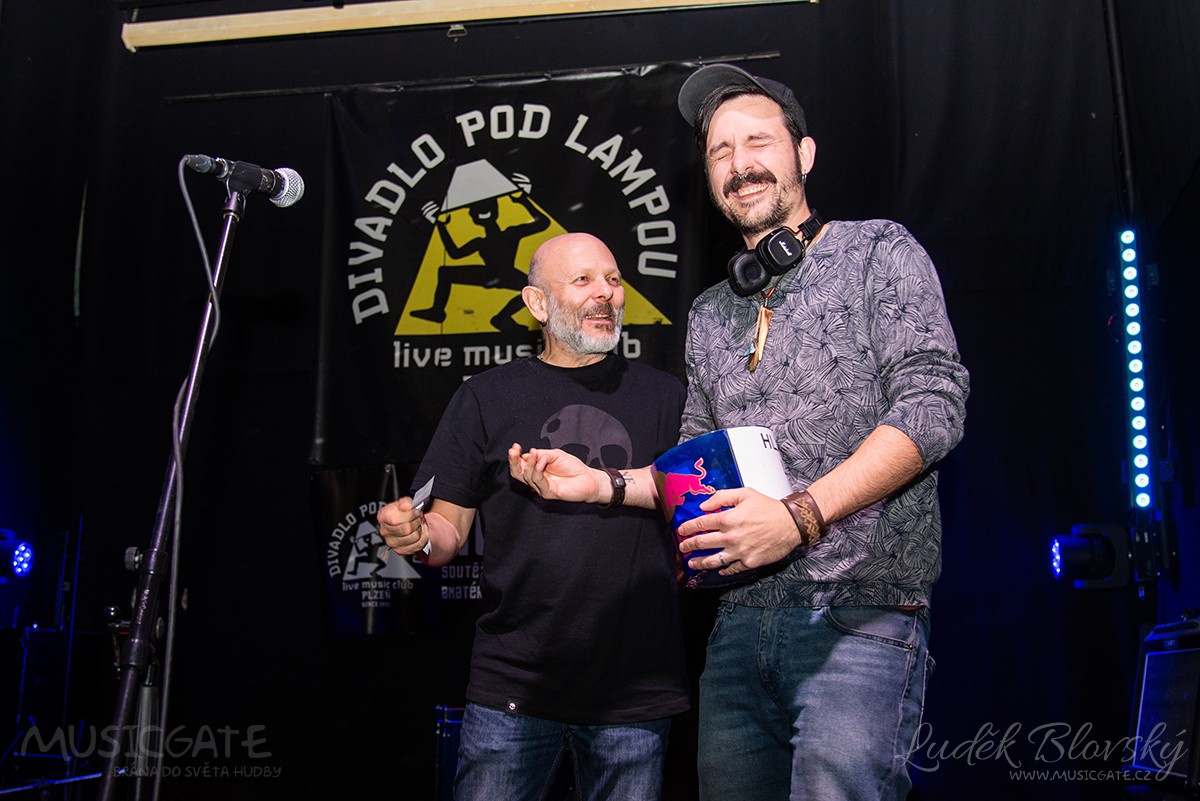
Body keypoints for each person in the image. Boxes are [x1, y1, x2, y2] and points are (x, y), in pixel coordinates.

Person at [508, 64, 970, 801]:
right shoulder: (710, 312)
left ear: (804, 154)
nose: (739, 163)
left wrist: (798, 517)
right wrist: (600, 484)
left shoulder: (878, 252)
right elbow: (693, 465)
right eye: (720, 151)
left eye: (758, 141)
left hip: (860, 618)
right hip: (737, 634)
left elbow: (934, 405)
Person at [377, 232, 689, 801]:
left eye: (614, 280)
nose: (605, 293)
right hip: (514, 685)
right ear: (537, 304)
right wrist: (418, 535)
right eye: (583, 280)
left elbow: (703, 507)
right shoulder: (486, 397)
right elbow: (448, 532)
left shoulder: (670, 398)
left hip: (636, 689)